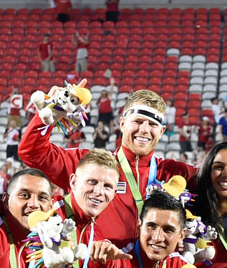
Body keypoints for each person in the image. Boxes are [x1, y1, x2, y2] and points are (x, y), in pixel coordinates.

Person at [19, 85, 196, 244]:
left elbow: (219, 182)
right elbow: (32, 153)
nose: (144, 130)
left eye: (152, 124)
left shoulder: (176, 173)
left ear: (162, 131)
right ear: (122, 123)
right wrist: (52, 112)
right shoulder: (90, 165)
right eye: (138, 121)